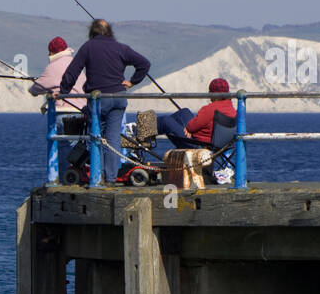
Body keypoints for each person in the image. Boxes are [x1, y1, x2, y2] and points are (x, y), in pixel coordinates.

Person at [58, 20, 151, 183]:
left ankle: (97, 176)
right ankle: (111, 178)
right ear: (109, 32)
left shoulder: (88, 47)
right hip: (119, 98)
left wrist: (63, 92)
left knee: (97, 137)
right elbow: (144, 63)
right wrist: (133, 81)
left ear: (92, 32)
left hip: (99, 99)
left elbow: (72, 72)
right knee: (113, 139)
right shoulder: (121, 48)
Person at [28, 36, 87, 177]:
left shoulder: (53, 66)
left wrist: (35, 86)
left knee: (62, 146)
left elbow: (36, 89)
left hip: (63, 111)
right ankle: (80, 175)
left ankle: (64, 177)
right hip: (80, 110)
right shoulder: (75, 63)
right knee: (76, 145)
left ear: (52, 52)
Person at [156, 77, 235, 148]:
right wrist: (189, 129)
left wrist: (188, 130)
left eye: (210, 92)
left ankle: (145, 132)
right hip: (217, 144)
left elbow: (191, 127)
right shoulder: (231, 109)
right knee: (184, 112)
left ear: (213, 93)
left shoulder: (210, 109)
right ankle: (152, 130)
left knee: (165, 121)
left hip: (198, 145)